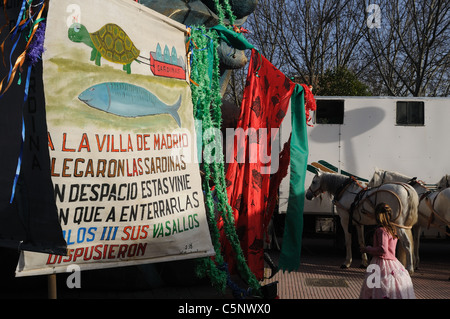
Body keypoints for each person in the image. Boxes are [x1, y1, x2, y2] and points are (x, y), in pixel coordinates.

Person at [359, 203, 416, 299]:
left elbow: (383, 250)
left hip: (380, 263)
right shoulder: (392, 229)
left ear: (378, 215)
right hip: (394, 263)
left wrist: (367, 249)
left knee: (375, 289)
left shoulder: (381, 230)